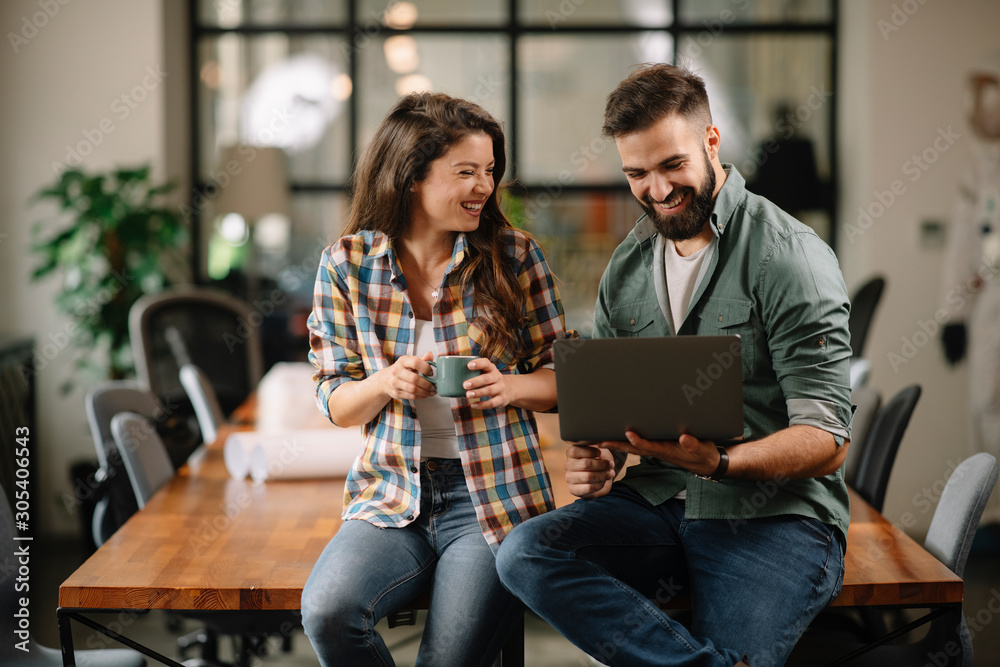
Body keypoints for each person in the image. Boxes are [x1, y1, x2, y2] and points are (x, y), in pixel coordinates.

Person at [496, 63, 853, 667]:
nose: (656, 190)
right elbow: (613, 409)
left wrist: (721, 462)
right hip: (659, 501)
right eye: (636, 173)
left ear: (711, 142)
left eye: (672, 166)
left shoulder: (789, 256)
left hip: (773, 515)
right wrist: (600, 457)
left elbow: (828, 437)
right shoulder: (629, 264)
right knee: (524, 554)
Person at [302, 92, 574, 666]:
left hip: (494, 498)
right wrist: (385, 384)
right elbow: (336, 400)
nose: (484, 186)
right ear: (410, 179)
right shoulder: (347, 264)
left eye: (490, 172)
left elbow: (567, 379)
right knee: (328, 612)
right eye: (466, 172)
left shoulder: (514, 257)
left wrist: (510, 386)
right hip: (390, 497)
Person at [939, 53, 1000, 527]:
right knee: (985, 408)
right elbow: (964, 245)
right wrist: (953, 315)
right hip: (989, 312)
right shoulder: (983, 169)